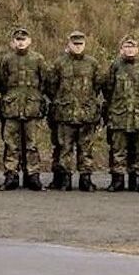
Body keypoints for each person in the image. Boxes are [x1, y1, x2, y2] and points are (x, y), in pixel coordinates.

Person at [46, 31, 106, 191]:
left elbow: (98, 85)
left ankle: (85, 179)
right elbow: (51, 86)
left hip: (87, 114)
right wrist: (61, 101)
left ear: (85, 45)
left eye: (80, 44)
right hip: (65, 114)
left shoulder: (92, 63)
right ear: (69, 44)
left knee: (86, 148)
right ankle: (65, 178)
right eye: (75, 44)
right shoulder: (59, 63)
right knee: (64, 148)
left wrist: (88, 102)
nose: (78, 47)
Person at [0, 27, 48, 190]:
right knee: (11, 144)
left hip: (32, 109)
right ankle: (11, 175)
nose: (21, 42)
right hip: (11, 109)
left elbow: (45, 81)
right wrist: (11, 96)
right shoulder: (6, 59)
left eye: (23, 39)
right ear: (13, 42)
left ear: (29, 41)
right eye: (17, 40)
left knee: (32, 144)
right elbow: (0, 81)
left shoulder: (38, 59)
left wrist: (36, 97)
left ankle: (33, 176)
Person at [102, 35, 139, 193]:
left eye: (133, 47)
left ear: (138, 49)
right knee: (118, 150)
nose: (130, 50)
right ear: (121, 49)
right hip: (120, 115)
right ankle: (118, 180)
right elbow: (108, 89)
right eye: (127, 47)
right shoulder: (115, 66)